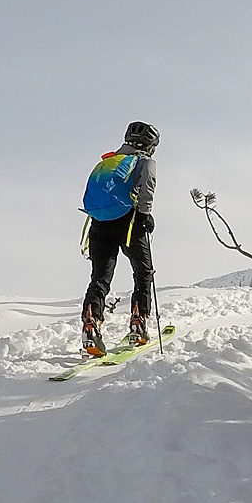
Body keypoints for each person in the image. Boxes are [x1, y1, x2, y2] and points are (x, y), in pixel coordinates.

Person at [81, 121, 159, 355]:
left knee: (100, 277)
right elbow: (148, 187)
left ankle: (91, 323)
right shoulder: (144, 161)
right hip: (129, 222)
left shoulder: (107, 161)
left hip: (98, 223)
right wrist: (145, 215)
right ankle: (139, 322)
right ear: (151, 145)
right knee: (143, 272)